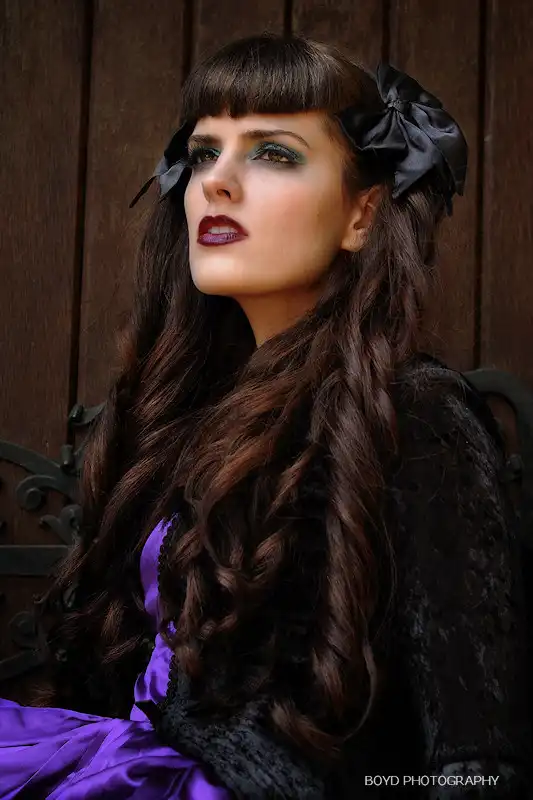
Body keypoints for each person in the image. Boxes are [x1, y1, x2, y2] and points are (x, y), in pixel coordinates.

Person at [0, 31, 531, 799]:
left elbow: (476, 768)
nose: (216, 182)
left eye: (272, 153)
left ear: (361, 215)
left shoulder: (417, 413)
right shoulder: (184, 414)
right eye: (203, 153)